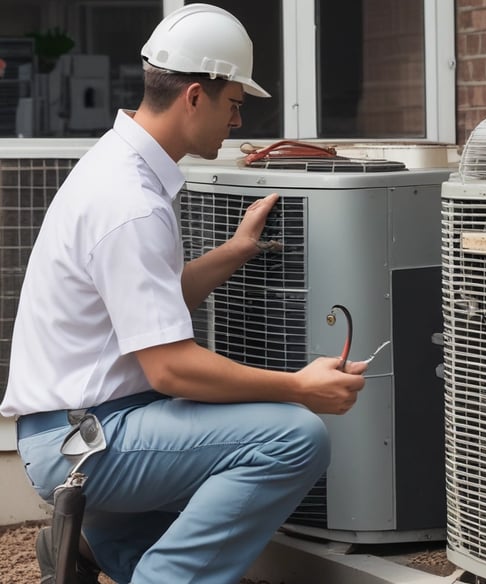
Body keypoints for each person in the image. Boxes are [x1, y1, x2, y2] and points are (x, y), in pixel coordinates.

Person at [0, 4, 367, 583]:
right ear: (195, 95)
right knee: (293, 438)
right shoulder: (131, 201)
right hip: (88, 439)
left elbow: (147, 306)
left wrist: (234, 251)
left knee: (208, 512)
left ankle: (99, 542)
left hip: (79, 425)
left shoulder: (116, 167)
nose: (238, 124)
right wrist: (299, 388)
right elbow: (170, 367)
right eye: (235, 105)